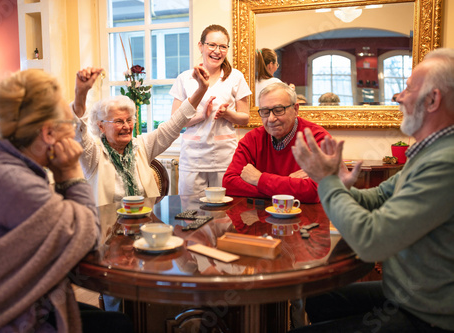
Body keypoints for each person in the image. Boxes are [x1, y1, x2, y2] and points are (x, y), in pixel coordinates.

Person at [0, 69, 133, 332]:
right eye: (69, 126)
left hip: (3, 302)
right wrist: (71, 174)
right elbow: (86, 240)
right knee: (119, 326)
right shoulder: (11, 180)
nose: (72, 135)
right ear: (49, 134)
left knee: (113, 321)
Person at [291, 48, 454, 332]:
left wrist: (327, 180)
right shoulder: (429, 152)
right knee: (317, 298)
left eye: (407, 88)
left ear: (432, 99)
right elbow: (377, 198)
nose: (398, 97)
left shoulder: (445, 163)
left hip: (429, 316)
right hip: (407, 295)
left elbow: (371, 241)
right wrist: (333, 182)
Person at [72, 65, 211, 206]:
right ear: (101, 126)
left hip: (144, 222)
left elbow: (176, 123)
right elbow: (79, 130)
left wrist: (201, 89)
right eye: (119, 121)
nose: (126, 126)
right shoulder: (94, 155)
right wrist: (80, 93)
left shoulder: (141, 146)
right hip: (108, 226)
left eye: (129, 120)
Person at [170, 24, 251, 196]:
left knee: (223, 215)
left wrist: (228, 114)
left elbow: (245, 118)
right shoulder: (185, 78)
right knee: (192, 212)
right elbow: (174, 121)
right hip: (193, 158)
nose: (217, 51)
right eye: (212, 45)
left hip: (224, 157)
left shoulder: (236, 77)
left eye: (223, 46)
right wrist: (201, 116)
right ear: (201, 46)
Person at [222, 82, 329, 202]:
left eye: (278, 110)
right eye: (265, 112)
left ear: (295, 109)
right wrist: (286, 182)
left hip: (307, 218)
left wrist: (259, 179)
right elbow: (229, 183)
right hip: (260, 217)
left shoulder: (318, 138)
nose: (271, 119)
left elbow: (315, 191)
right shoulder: (252, 139)